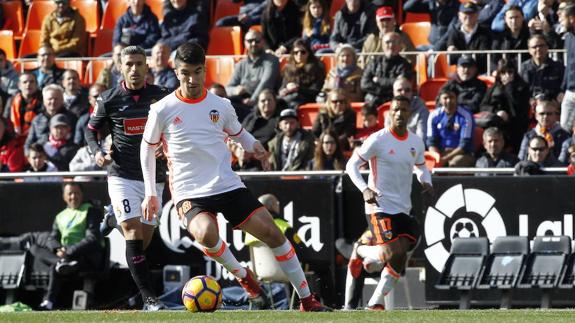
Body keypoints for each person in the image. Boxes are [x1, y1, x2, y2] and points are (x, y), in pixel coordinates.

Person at [140, 42, 331, 311]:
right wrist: (150, 192)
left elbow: (238, 132)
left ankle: (307, 300)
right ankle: (244, 278)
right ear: (175, 71)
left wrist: (253, 145)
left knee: (274, 234)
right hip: (189, 190)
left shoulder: (221, 104)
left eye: (197, 72)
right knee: (206, 233)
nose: (191, 79)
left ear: (204, 70)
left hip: (227, 184)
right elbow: (146, 151)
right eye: (185, 73)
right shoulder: (162, 109)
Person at [85, 45, 170, 311]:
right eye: (129, 64)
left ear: (147, 67)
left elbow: (178, 125)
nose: (134, 69)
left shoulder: (163, 96)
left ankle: (112, 218)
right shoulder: (108, 99)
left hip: (152, 178)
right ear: (121, 67)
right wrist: (98, 152)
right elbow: (91, 131)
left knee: (142, 241)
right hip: (121, 174)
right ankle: (150, 299)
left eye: (138, 64)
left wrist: (168, 145)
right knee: (133, 232)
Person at [345, 95, 432, 310]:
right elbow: (351, 166)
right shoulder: (378, 139)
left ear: (410, 114)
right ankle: (360, 250)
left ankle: (375, 303)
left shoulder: (415, 142)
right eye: (395, 110)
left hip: (403, 207)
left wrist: (425, 179)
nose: (400, 114)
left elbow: (421, 166)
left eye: (404, 110)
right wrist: (365, 189)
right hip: (379, 205)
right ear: (389, 113)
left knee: (401, 255)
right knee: (390, 253)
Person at [37, 182, 104, 310]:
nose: (73, 196)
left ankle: (48, 302)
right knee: (36, 249)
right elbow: (52, 238)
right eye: (70, 193)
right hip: (64, 257)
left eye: (77, 193)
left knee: (54, 267)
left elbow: (93, 238)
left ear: (82, 194)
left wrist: (68, 251)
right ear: (64, 196)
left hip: (85, 256)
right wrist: (58, 249)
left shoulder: (91, 211)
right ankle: (62, 262)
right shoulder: (60, 216)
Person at [226, 29, 280, 119]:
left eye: (257, 40)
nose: (254, 44)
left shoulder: (272, 60)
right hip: (242, 101)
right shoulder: (240, 64)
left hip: (262, 103)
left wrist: (253, 100)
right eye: (250, 41)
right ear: (245, 43)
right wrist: (236, 90)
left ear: (263, 42)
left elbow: (266, 83)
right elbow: (228, 88)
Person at [479, 58, 531, 150]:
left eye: (510, 72)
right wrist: (497, 112)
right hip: (496, 120)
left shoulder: (522, 88)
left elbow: (518, 108)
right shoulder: (494, 87)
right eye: (503, 73)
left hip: (515, 123)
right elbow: (483, 105)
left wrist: (509, 86)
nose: (507, 75)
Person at [427, 84, 476, 167]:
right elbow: (431, 142)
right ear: (440, 100)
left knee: (454, 164)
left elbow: (464, 145)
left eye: (452, 97)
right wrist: (437, 157)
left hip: (461, 154)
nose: (449, 101)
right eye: (445, 98)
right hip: (440, 153)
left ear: (456, 99)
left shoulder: (465, 116)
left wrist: (444, 159)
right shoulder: (434, 116)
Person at [361, 32, 414, 108]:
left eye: (394, 42)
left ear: (400, 46)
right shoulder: (374, 63)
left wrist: (378, 80)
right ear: (382, 45)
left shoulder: (405, 65)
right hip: (373, 100)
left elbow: (401, 84)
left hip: (395, 101)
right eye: (387, 42)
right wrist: (381, 90)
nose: (391, 45)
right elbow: (364, 84)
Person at [24, 84, 76, 155]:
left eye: (56, 99)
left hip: (64, 156)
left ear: (62, 100)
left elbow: (76, 140)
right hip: (40, 157)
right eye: (50, 99)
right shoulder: (37, 120)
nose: (53, 101)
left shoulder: (71, 118)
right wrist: (29, 155)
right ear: (44, 101)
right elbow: (29, 142)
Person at [279, 39, 325, 110]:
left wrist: (298, 89)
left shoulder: (317, 68)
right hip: (289, 97)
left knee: (294, 98)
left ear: (308, 53)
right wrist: (284, 90)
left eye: (303, 52)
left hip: (306, 98)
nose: (299, 55)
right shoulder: (288, 68)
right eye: (296, 52)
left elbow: (316, 90)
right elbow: (282, 87)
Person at [446, 2, 492, 74]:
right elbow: (451, 57)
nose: (468, 16)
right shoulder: (454, 32)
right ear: (459, 15)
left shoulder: (485, 32)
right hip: (459, 71)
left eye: (471, 13)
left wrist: (460, 54)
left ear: (477, 15)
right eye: (465, 13)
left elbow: (482, 56)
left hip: (480, 71)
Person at [520, 34, 565, 100]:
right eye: (534, 47)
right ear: (529, 50)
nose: (538, 49)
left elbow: (564, 88)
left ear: (547, 47)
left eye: (541, 46)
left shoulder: (559, 67)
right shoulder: (524, 67)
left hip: (552, 104)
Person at [384, 76, 428, 141]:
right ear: (394, 93)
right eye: (399, 90)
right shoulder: (391, 110)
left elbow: (421, 139)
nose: (403, 93)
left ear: (412, 92)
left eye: (407, 90)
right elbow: (388, 137)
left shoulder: (421, 109)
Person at [6, 73, 42, 139]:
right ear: (19, 85)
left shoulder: (42, 100)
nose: (28, 84)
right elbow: (6, 121)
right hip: (14, 137)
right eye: (25, 82)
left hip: (36, 136)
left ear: (36, 84)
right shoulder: (12, 100)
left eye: (32, 82)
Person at [559, 4, 575, 131]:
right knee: (564, 130)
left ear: (572, 19)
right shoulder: (568, 38)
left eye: (562, 18)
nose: (560, 21)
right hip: (570, 92)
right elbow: (569, 65)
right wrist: (563, 88)